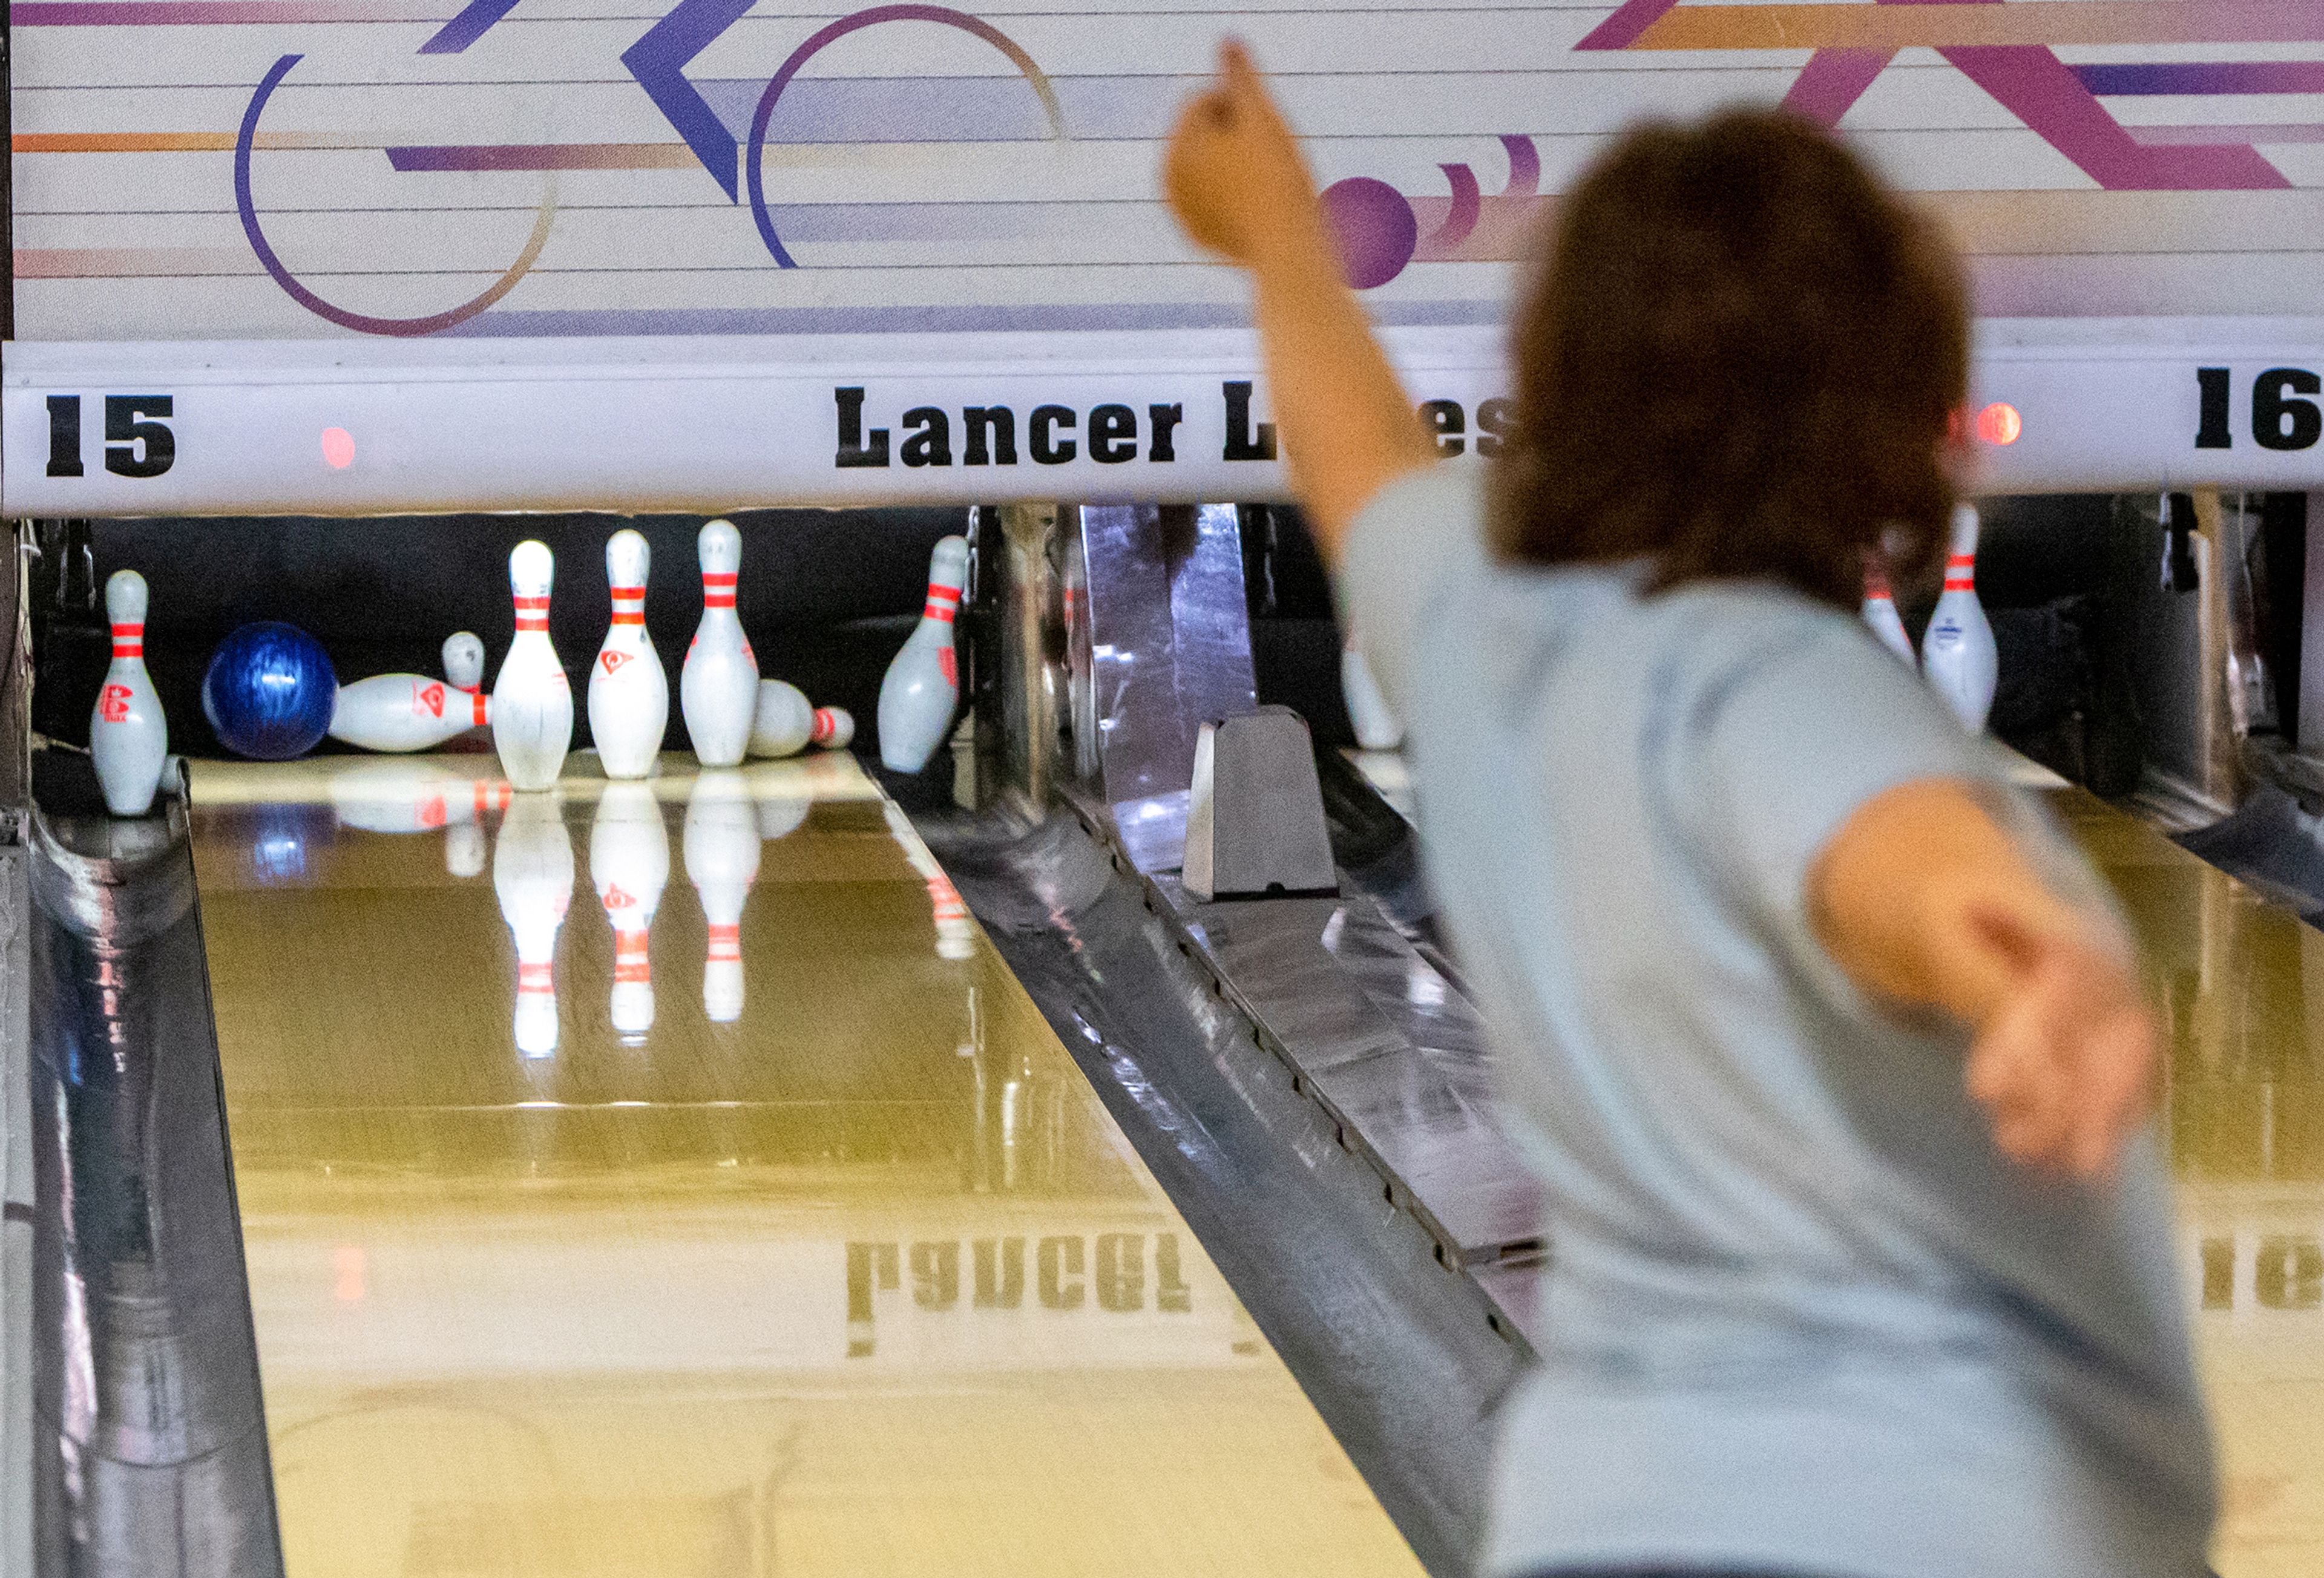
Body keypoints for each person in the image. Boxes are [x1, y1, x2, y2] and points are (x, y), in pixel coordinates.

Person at [1163, 43, 2216, 1578]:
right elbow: (1900, 859)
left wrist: (1275, 233)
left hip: (1609, 1520)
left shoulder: (1487, 632)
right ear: (1909, 412)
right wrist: (2034, 967)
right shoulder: (1797, 686)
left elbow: (1357, 448)